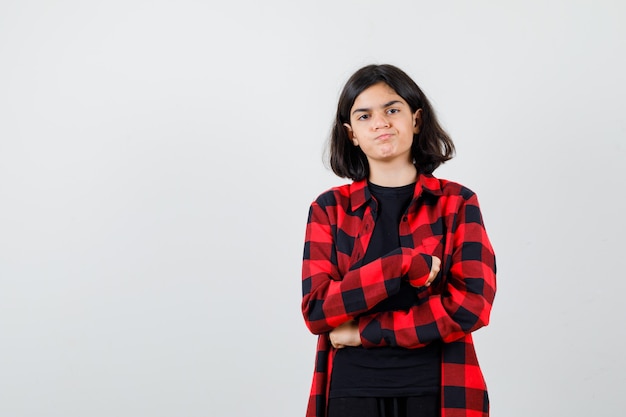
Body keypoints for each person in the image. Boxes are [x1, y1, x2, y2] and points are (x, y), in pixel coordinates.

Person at [301, 64, 497, 417]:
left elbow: (471, 306)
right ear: (351, 134)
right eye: (364, 116)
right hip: (350, 393)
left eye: (392, 110)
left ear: (416, 120)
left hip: (438, 392)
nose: (380, 122)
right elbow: (317, 310)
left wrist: (364, 332)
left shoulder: (457, 203)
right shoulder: (329, 209)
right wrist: (400, 263)